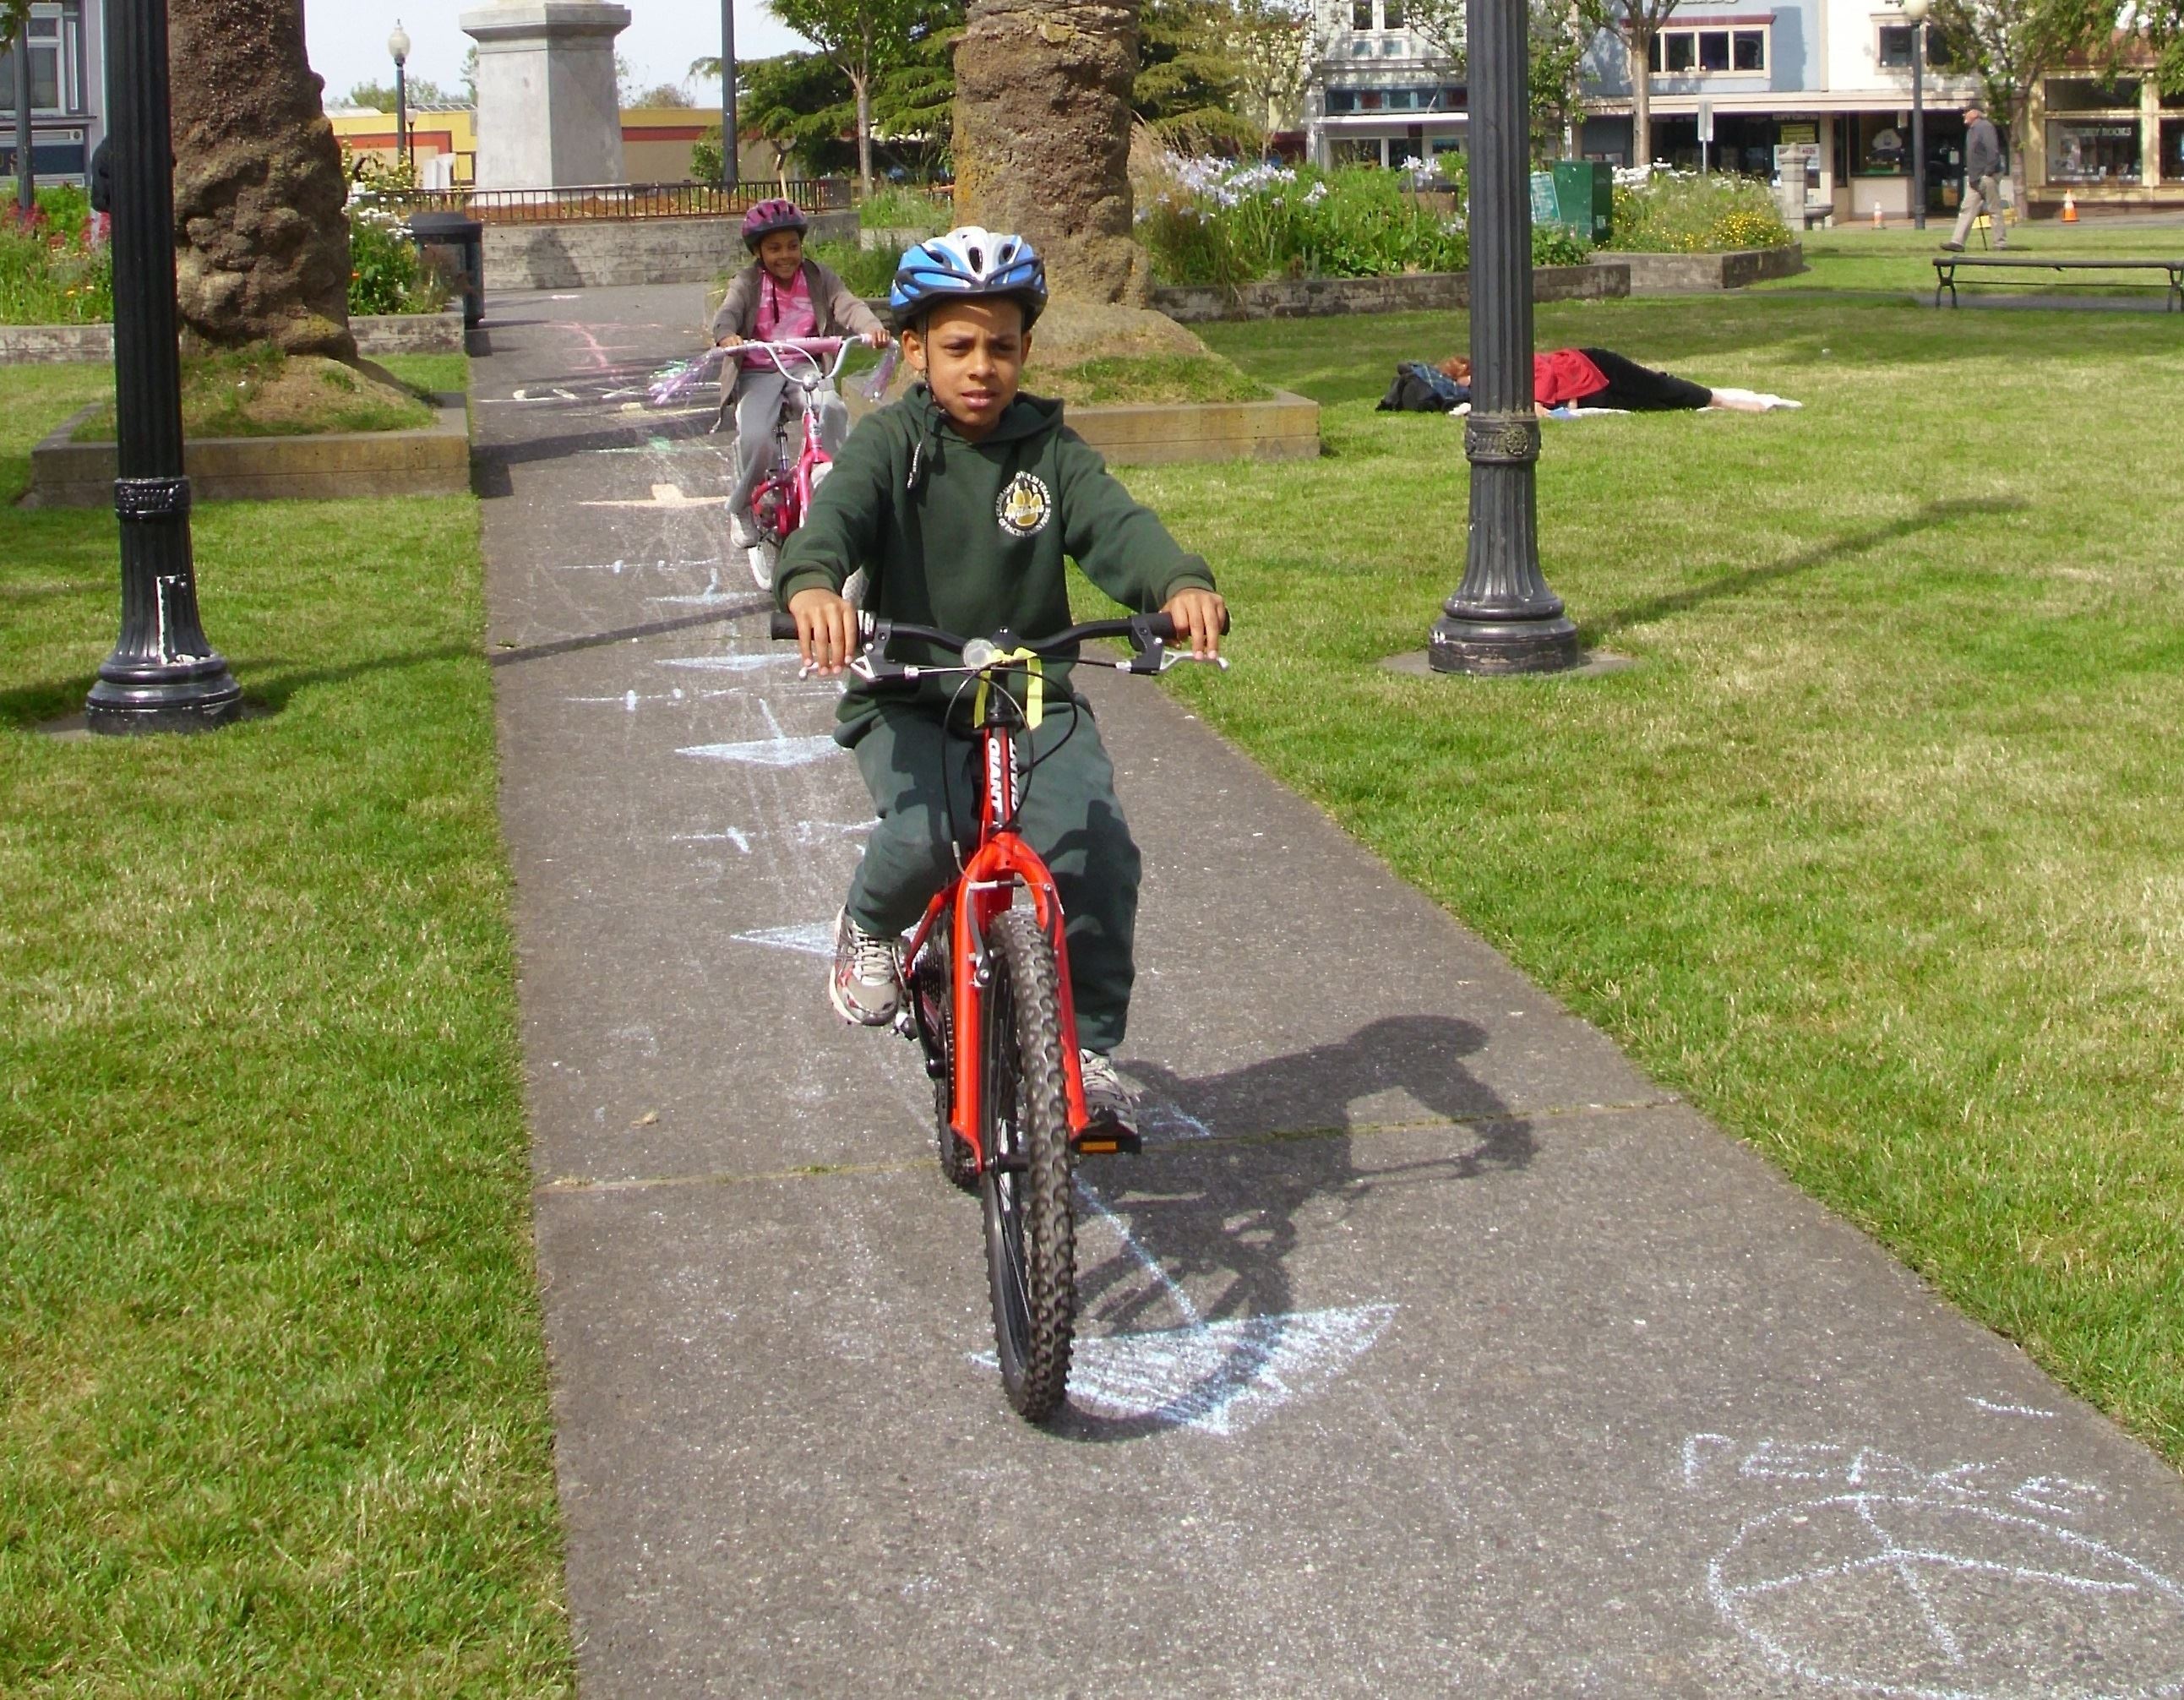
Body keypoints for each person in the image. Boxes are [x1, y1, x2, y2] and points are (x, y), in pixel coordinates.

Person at [776, 227, 1228, 1136]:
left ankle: (1084, 1054)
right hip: (909, 690)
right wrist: (814, 584)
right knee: (928, 833)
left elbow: (1117, 526)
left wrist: (1176, 583)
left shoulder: (1049, 450)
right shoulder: (891, 442)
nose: (981, 366)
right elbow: (834, 519)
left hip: (1029, 694)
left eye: (1002, 346)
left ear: (1024, 349)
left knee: (1094, 851)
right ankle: (869, 925)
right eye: (957, 346)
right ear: (914, 348)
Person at [711, 199, 890, 553]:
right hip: (759, 369)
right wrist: (727, 336)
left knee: (832, 407)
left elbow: (848, 304)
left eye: (792, 246)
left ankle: (829, 479)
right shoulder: (747, 282)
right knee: (756, 438)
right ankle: (741, 505)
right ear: (758, 252)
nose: (785, 255)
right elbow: (728, 313)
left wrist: (871, 327)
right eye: (774, 248)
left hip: (804, 365)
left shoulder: (819, 278)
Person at [1437, 351, 1798, 414]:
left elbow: (1544, 372)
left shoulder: (1506, 364)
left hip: (1594, 366)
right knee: (1652, 406)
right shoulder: (1488, 391)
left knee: (1658, 387)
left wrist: (1539, 403)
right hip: (1591, 394)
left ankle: (1723, 400)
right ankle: (1708, 403)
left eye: (1469, 381)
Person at [1942, 100, 2007, 252]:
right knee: (1966, 209)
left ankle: (2000, 243)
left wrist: (1988, 172)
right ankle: (1957, 242)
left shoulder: (1985, 127)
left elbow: (1993, 151)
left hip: (1986, 177)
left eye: (1966, 112)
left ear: (1975, 113)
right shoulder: (1972, 130)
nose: (1964, 115)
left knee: (1994, 210)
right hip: (1974, 179)